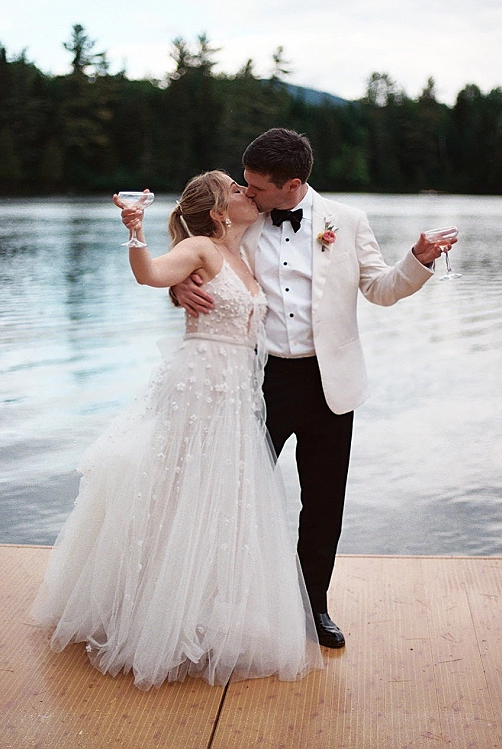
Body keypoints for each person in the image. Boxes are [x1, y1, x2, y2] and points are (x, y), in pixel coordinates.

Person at [30, 170, 323, 690]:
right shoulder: (202, 250)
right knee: (179, 487)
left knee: (222, 496)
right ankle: (154, 612)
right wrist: (135, 230)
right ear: (216, 210)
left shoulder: (246, 250)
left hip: (237, 391)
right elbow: (150, 274)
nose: (246, 194)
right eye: (236, 189)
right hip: (200, 380)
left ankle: (209, 608)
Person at [172, 128, 454, 649]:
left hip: (331, 385)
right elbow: (204, 253)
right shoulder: (244, 219)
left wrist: (419, 260)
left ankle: (314, 605)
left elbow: (380, 290)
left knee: (323, 504)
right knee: (236, 496)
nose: (246, 193)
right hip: (256, 381)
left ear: (293, 184)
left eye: (256, 187)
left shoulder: (347, 222)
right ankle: (227, 604)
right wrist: (177, 282)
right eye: (245, 185)